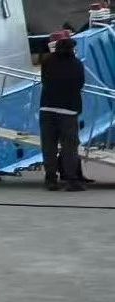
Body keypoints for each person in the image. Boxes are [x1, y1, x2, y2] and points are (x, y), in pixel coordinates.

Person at [40, 30, 88, 191]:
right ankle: (71, 180)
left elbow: (44, 80)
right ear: (72, 49)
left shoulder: (47, 61)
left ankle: (51, 179)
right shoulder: (77, 64)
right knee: (69, 147)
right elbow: (80, 84)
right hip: (68, 110)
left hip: (47, 107)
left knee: (49, 146)